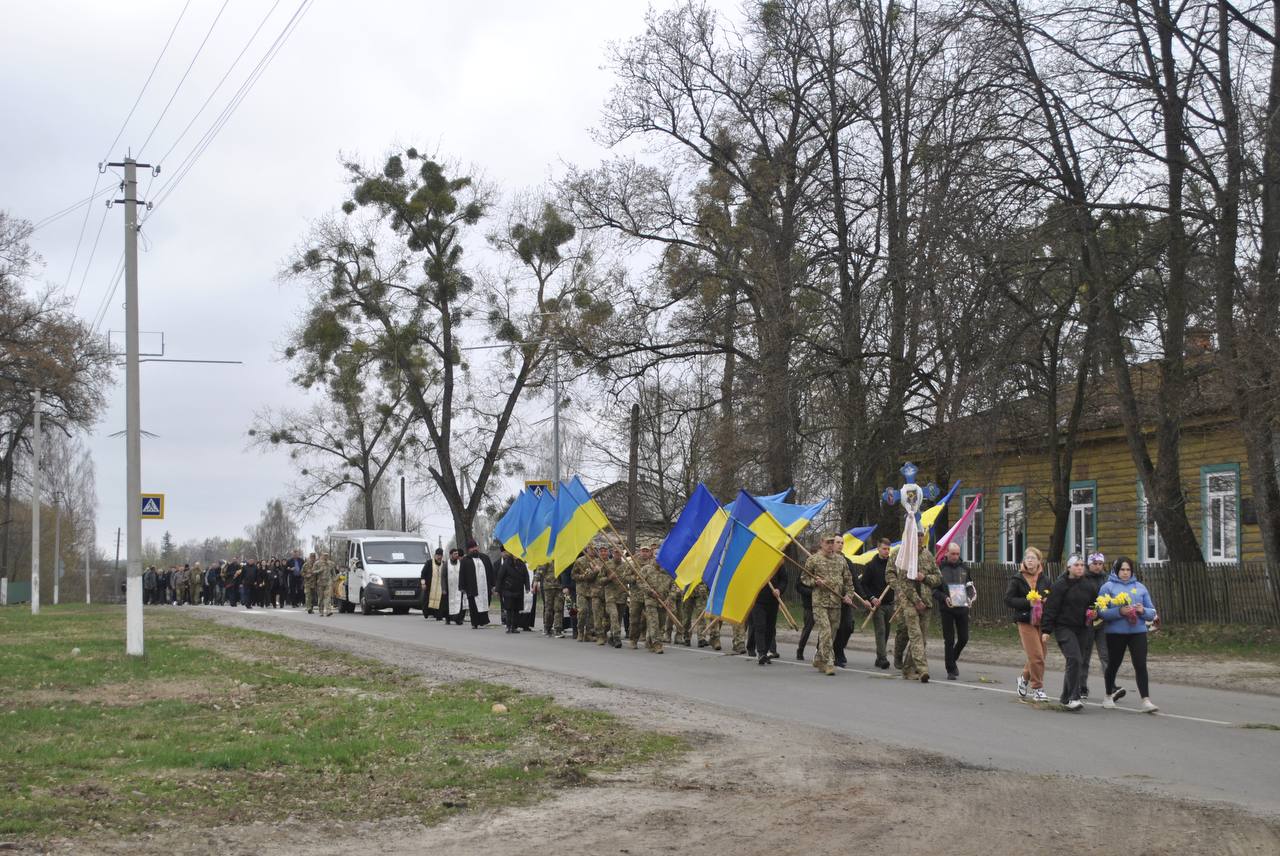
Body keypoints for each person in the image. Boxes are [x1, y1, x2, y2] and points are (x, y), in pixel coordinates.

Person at [1099, 556, 1159, 712]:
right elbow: (1101, 612)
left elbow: (1152, 612)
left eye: (1128, 570)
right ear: (1116, 570)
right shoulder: (1108, 587)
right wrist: (1119, 611)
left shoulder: (1140, 587)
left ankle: (1146, 700)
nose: (1125, 573)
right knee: (1114, 664)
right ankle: (1108, 695)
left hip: (1137, 631)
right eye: (1122, 570)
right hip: (1115, 633)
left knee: (1140, 664)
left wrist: (1142, 611)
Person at [1040, 554, 1100, 710]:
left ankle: (1065, 698)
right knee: (1074, 658)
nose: (1080, 568)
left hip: (1082, 628)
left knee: (1076, 661)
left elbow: (1095, 605)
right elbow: (1051, 608)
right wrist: (1046, 630)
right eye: (1076, 565)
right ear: (1069, 568)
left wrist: (1094, 613)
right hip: (1064, 628)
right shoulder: (1060, 585)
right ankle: (1074, 697)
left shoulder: (1089, 585)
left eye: (1082, 565)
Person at [887, 529, 942, 683]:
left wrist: (924, 577)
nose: (919, 538)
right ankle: (922, 668)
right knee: (910, 633)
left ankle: (909, 668)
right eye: (916, 535)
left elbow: (938, 578)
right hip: (907, 601)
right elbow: (891, 574)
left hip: (926, 601)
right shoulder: (901, 555)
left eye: (921, 535)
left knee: (921, 639)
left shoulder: (927, 555)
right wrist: (898, 587)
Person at [801, 533, 856, 676]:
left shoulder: (841, 561)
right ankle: (829, 662)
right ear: (822, 543)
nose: (831, 545)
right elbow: (804, 578)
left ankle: (819, 657)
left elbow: (848, 581)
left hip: (835, 603)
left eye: (833, 542)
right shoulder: (813, 560)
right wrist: (815, 582)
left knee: (831, 633)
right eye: (828, 542)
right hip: (819, 602)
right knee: (825, 631)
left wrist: (849, 596)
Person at [1005, 547, 1052, 703]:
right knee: (1036, 656)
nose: (1030, 560)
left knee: (1040, 655)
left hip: (1042, 621)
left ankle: (1024, 679)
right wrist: (1028, 603)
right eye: (1027, 558)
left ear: (1039, 561)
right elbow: (1009, 600)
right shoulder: (1017, 579)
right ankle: (1037, 688)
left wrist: (1046, 600)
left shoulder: (1045, 579)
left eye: (1033, 558)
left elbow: (1050, 596)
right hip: (1025, 620)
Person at [934, 542, 975, 680]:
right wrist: (944, 597)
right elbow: (934, 590)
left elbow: (970, 587)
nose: (955, 556)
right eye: (952, 554)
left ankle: (952, 658)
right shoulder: (939, 568)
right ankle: (950, 669)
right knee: (949, 640)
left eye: (957, 554)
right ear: (946, 553)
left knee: (964, 638)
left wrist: (970, 598)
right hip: (947, 609)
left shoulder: (964, 568)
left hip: (962, 608)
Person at [855, 538, 895, 669]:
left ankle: (879, 657)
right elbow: (864, 584)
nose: (886, 551)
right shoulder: (871, 565)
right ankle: (883, 658)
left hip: (890, 603)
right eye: (884, 549)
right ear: (878, 548)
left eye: (888, 549)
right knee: (881, 631)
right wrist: (871, 598)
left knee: (887, 631)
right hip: (878, 605)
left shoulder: (892, 565)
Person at [1081, 551, 1110, 699]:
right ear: (1089, 564)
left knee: (1105, 655)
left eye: (1100, 564)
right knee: (1085, 656)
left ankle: (1110, 687)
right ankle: (1082, 686)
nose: (1098, 567)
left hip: (1103, 622)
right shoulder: (1083, 578)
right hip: (1087, 622)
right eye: (1095, 564)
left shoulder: (1107, 579)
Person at [750, 567, 787, 665]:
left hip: (773, 601)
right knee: (760, 626)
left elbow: (784, 579)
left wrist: (779, 590)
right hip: (757, 601)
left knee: (770, 628)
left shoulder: (777, 562)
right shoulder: (755, 564)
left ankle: (765, 652)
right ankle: (761, 653)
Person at [494, 543, 529, 633]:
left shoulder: (521, 563)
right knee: (509, 609)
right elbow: (500, 577)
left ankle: (514, 626)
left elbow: (526, 576)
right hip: (508, 589)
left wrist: (527, 586)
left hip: (518, 589)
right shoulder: (506, 563)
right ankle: (509, 626)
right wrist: (497, 590)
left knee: (516, 609)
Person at [458, 539, 492, 628]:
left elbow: (491, 572)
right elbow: (462, 574)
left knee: (485, 603)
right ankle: (475, 623)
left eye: (475, 547)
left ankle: (484, 621)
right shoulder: (465, 560)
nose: (474, 549)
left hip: (485, 587)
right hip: (472, 587)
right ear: (469, 549)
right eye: (472, 548)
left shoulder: (485, 558)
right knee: (473, 606)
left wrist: (493, 584)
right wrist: (462, 587)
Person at [574, 547, 599, 643]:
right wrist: (583, 576)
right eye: (591, 549)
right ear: (587, 550)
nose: (593, 551)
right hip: (582, 590)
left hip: (593, 591)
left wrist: (597, 571)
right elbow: (574, 575)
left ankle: (588, 633)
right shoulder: (580, 561)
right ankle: (580, 632)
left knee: (592, 614)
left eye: (594, 549)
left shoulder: (598, 562)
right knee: (583, 611)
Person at [541, 560, 566, 637]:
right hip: (549, 587)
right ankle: (547, 628)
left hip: (559, 587)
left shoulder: (561, 557)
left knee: (558, 608)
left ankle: (558, 629)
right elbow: (540, 570)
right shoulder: (547, 557)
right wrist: (536, 581)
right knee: (549, 608)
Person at [443, 548, 465, 624]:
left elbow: (463, 575)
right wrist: (444, 588)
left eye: (457, 554)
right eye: (455, 554)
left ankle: (458, 619)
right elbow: (443, 577)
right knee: (448, 604)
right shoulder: (446, 563)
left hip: (458, 587)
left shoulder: (460, 563)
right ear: (451, 554)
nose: (456, 555)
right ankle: (448, 618)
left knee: (459, 603)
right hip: (449, 587)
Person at [423, 548, 446, 620]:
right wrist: (423, 583)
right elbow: (423, 573)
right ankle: (428, 613)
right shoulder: (429, 563)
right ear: (435, 555)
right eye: (438, 555)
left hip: (440, 587)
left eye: (441, 555)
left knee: (440, 602)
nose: (439, 557)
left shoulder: (444, 564)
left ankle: (438, 615)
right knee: (428, 601)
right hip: (430, 587)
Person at [315, 552, 336, 617]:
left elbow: (333, 573)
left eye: (327, 556)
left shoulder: (331, 563)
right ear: (321, 556)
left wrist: (334, 581)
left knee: (328, 597)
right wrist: (319, 571)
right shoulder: (317, 563)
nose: (326, 557)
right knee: (321, 598)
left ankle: (328, 611)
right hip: (320, 583)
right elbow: (313, 571)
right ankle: (321, 611)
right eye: (324, 555)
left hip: (328, 582)